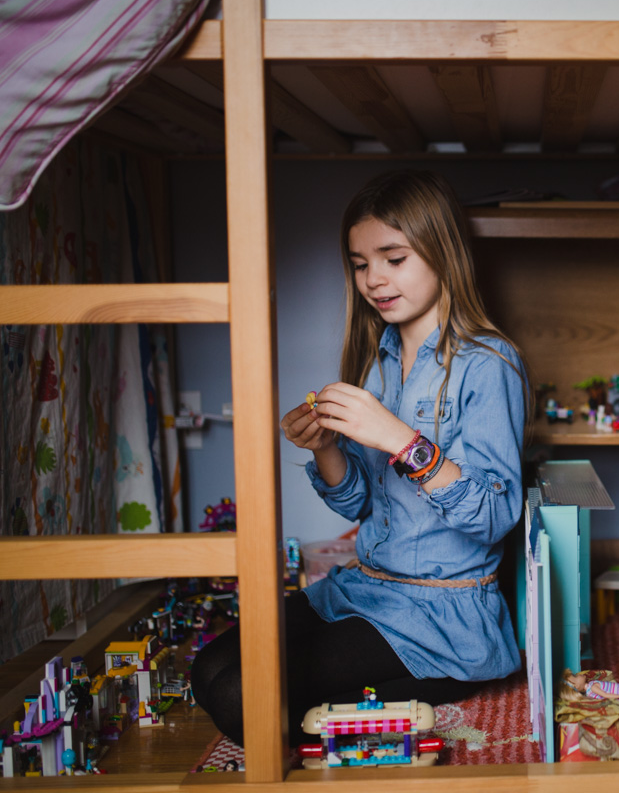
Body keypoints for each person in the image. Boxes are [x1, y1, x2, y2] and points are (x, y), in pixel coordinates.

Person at [191, 169, 530, 746]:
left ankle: (453, 675)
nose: (374, 279)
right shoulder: (381, 358)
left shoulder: (487, 364)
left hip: (440, 614)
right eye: (359, 263)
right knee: (207, 671)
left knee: (240, 698)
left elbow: (495, 517)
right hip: (365, 587)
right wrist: (326, 447)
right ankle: (391, 691)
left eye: (393, 258)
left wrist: (402, 439)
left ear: (441, 252)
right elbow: (362, 500)